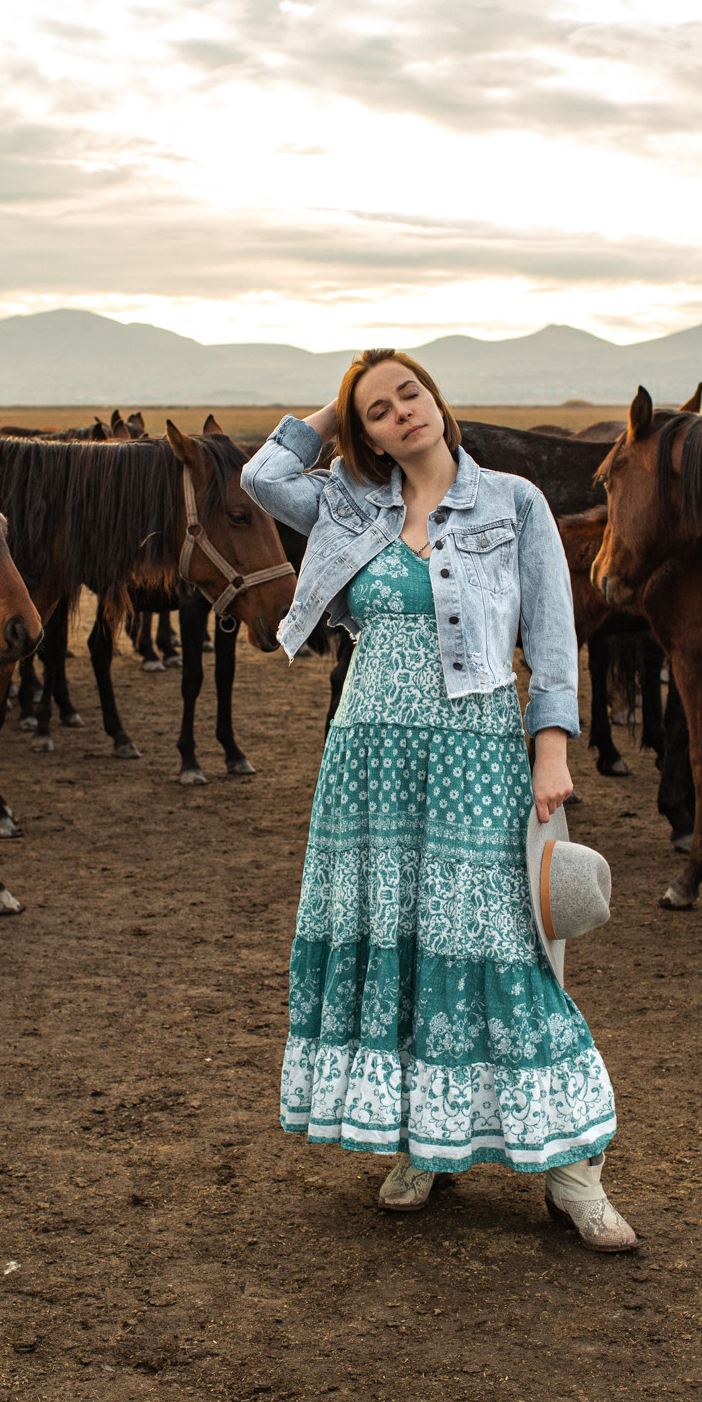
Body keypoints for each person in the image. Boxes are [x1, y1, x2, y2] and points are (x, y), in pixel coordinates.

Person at [242, 348, 635, 1251]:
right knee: (401, 941)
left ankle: (575, 1171)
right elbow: (261, 477)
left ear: (435, 397)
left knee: (505, 946)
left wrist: (551, 751)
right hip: (368, 757)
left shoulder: (513, 502)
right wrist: (332, 419)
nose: (400, 414)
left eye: (407, 394)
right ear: (364, 433)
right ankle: (425, 1139)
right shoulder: (349, 504)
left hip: (477, 748)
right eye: (376, 411)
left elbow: (551, 634)